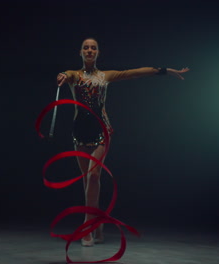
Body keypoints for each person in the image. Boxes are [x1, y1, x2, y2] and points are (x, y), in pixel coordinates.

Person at [56, 38, 189, 246]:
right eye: (86, 48)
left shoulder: (105, 76)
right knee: (87, 180)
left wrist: (166, 70)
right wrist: (63, 75)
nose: (89, 50)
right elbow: (69, 74)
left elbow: (134, 72)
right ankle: (97, 222)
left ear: (98, 53)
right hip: (80, 132)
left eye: (93, 48)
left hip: (102, 130)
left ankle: (87, 226)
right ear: (80, 52)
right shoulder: (74, 76)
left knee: (93, 177)